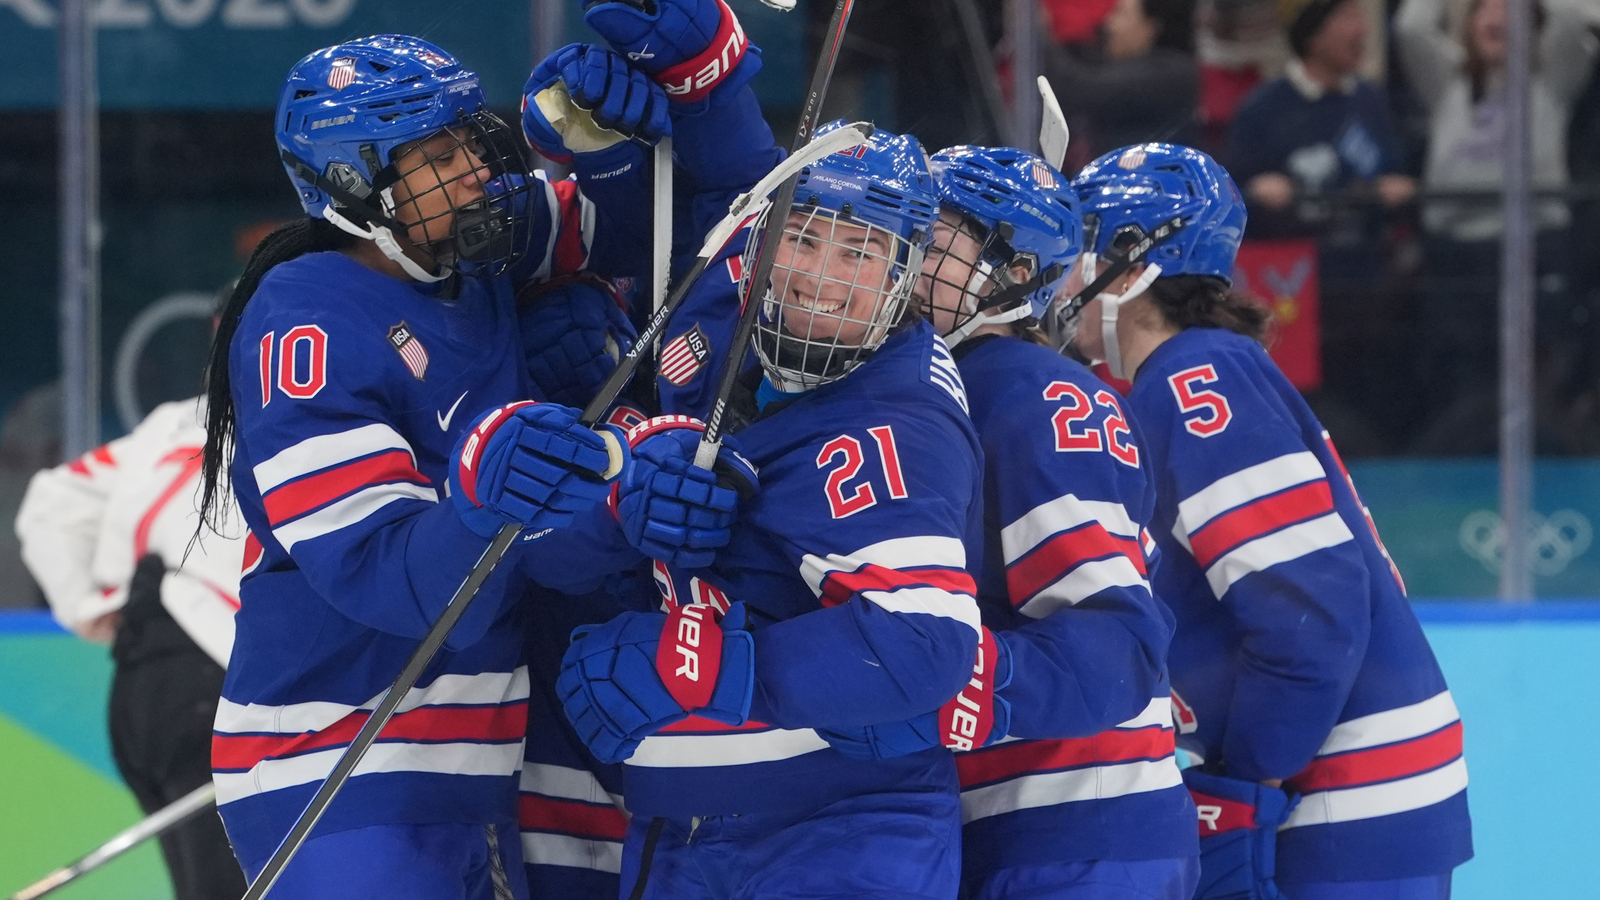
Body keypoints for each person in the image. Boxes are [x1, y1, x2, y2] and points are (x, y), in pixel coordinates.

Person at [195, 34, 680, 898]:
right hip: (336, 749)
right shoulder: (303, 320)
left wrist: (609, 148)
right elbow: (387, 579)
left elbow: (662, 237)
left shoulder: (478, 250)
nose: (472, 169)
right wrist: (480, 496)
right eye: (436, 154)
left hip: (474, 759)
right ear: (356, 184)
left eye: (467, 140)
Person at [556, 123, 986, 900]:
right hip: (676, 835)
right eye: (805, 239)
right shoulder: (727, 303)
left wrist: (705, 669)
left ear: (905, 276)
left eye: (860, 253)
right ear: (758, 247)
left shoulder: (897, 422)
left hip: (836, 833)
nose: (822, 275)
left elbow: (924, 643)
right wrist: (628, 490)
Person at [1062, 142, 1472, 900]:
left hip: (1339, 795)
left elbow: (1311, 617)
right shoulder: (1186, 376)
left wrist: (1246, 778)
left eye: (1079, 244)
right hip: (1343, 786)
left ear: (1135, 262)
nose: (1062, 272)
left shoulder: (1194, 381)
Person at [889, 143, 1201, 899]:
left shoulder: (1036, 397)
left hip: (1081, 832)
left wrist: (929, 682)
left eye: (933, 240)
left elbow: (1116, 642)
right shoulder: (936, 385)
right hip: (1011, 830)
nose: (905, 255)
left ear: (1014, 273)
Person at [16, 394, 247, 900]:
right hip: (220, 684)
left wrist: (92, 605)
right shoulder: (316, 396)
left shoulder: (171, 421)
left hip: (140, 683)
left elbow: (51, 502)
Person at [1394, 0, 1599, 450]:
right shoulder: (1447, 80)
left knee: (1539, 362)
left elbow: (1567, 20)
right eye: (1486, 12)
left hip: (1534, 243)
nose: (1498, 20)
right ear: (1468, 26)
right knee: (1461, 367)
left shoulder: (1551, 79)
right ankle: (1462, 461)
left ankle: (1545, 453)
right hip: (1458, 250)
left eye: (1511, 13)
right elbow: (1412, 26)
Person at [1045, 0, 1201, 166]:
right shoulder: (1117, 62)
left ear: (1151, 25)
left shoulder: (1172, 74)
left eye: (1121, 14)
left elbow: (1082, 88)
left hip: (1145, 185)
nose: (1109, 24)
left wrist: (1037, 30)